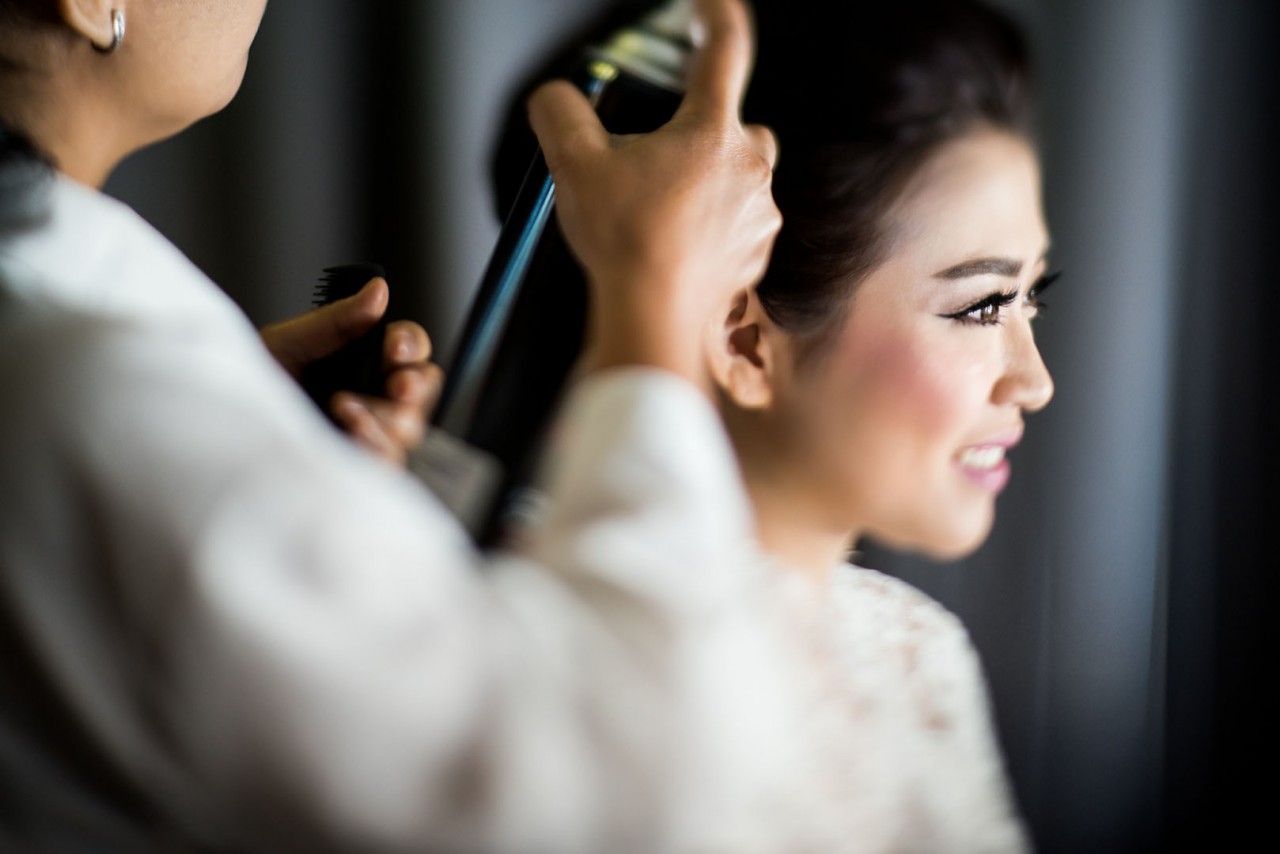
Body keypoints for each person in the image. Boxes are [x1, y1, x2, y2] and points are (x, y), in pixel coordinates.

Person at [0, 0, 795, 851]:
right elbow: (609, 796)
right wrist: (661, 284)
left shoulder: (87, 360)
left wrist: (261, 457)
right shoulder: (117, 403)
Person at [495, 0, 1053, 849]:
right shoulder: (543, 651)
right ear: (745, 341)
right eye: (982, 307)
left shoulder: (918, 653)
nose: (1035, 382)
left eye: (1033, 297)